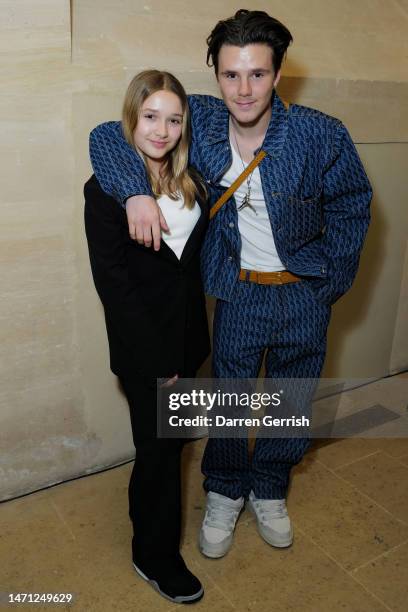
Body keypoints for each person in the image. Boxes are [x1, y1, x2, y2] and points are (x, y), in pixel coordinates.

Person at [88, 10, 372, 560]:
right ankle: (223, 488)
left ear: (278, 74)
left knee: (290, 402)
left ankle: (269, 487)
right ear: (215, 75)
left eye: (257, 74)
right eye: (230, 75)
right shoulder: (202, 123)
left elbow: (352, 204)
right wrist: (134, 192)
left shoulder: (320, 133)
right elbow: (108, 134)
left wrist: (332, 279)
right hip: (238, 292)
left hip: (304, 294)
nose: (244, 89)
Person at [84, 69, 210, 603]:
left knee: (168, 445)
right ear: (132, 118)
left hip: (187, 338)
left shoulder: (190, 179)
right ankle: (154, 555)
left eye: (174, 118)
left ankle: (148, 521)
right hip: (145, 348)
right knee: (158, 449)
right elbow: (114, 286)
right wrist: (161, 360)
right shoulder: (106, 189)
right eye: (150, 116)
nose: (161, 130)